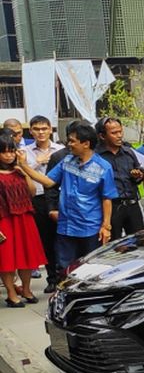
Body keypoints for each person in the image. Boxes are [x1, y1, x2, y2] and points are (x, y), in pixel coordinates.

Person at [14, 121, 115, 278]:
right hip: (66, 225)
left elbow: (106, 197)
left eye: (73, 141)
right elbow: (48, 182)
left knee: (91, 267)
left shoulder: (103, 167)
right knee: (64, 267)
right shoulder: (67, 161)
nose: (69, 144)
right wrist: (24, 166)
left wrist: (106, 226)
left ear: (86, 143)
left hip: (90, 226)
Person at [0, 133, 47, 307]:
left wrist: (24, 170)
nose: (9, 155)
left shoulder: (19, 170)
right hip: (4, 220)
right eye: (4, 152)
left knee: (27, 257)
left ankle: (26, 289)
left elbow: (32, 192)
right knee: (7, 259)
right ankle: (11, 293)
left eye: (12, 151)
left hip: (25, 217)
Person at [23, 116, 62, 290]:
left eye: (44, 128)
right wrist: (36, 162)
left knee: (63, 238)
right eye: (37, 129)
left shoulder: (60, 150)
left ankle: (64, 276)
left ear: (50, 130)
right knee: (45, 239)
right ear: (30, 131)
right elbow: (20, 168)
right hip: (38, 198)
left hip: (59, 197)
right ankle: (52, 278)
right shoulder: (25, 152)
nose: (41, 132)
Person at [95, 117, 144, 239]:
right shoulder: (96, 157)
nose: (119, 136)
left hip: (132, 204)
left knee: (140, 241)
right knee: (114, 245)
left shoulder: (128, 152)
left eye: (120, 132)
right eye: (114, 133)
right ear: (102, 136)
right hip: (111, 207)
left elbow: (138, 175)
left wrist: (138, 175)